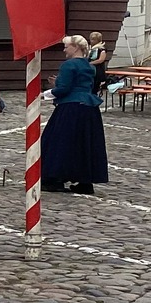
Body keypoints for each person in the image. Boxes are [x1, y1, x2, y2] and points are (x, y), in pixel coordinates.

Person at [41, 34, 109, 195]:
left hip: (71, 108)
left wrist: (46, 94)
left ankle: (55, 179)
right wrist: (59, 83)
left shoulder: (68, 65)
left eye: (67, 46)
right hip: (89, 108)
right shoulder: (89, 66)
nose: (64, 49)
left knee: (60, 142)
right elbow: (82, 85)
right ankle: (85, 181)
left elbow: (64, 89)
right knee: (85, 143)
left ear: (76, 47)